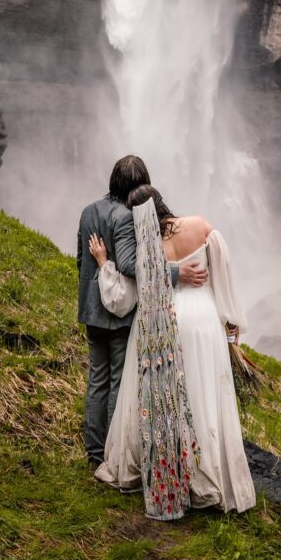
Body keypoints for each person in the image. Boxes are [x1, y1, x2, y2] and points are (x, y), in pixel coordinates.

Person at [88, 185, 256, 519]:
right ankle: (207, 471)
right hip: (204, 321)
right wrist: (231, 318)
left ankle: (166, 468)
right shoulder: (199, 225)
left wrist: (104, 262)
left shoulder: (146, 251)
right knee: (202, 395)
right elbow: (223, 274)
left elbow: (126, 298)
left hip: (164, 322)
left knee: (169, 400)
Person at [77, 157, 208, 469]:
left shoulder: (88, 211)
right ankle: (110, 454)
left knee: (97, 378)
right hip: (117, 313)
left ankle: (94, 451)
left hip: (92, 309)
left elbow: (81, 258)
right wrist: (177, 274)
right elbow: (130, 266)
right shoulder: (125, 216)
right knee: (118, 382)